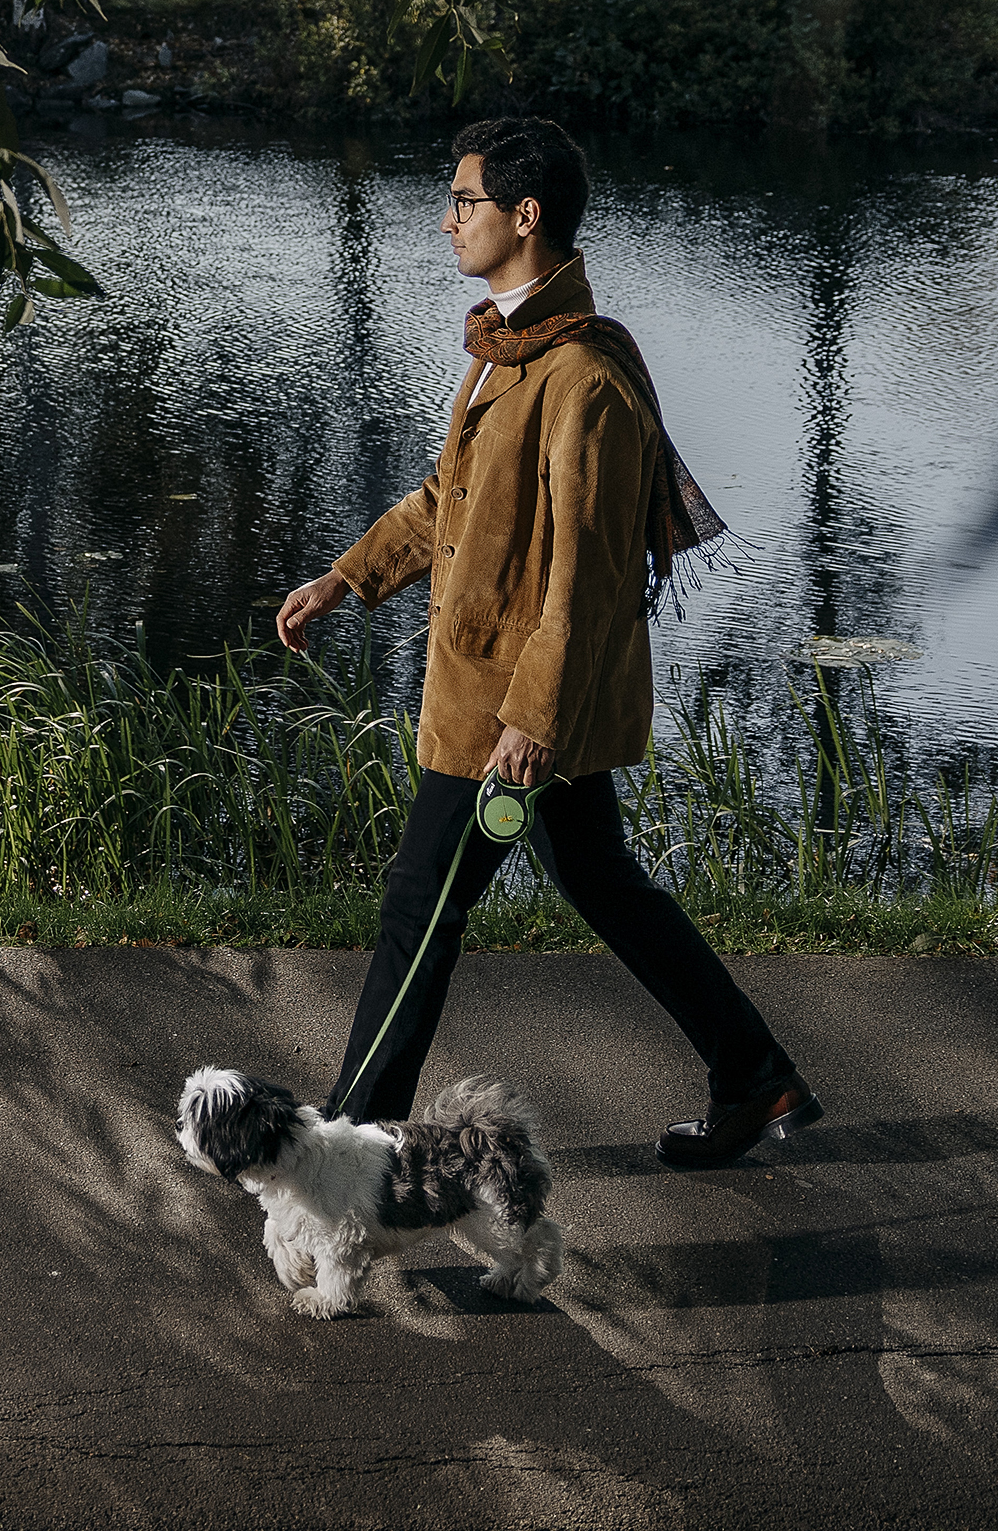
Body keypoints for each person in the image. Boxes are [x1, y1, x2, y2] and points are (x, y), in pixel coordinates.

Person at [274, 116, 818, 1170]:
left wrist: (530, 717)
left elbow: (590, 575)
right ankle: (754, 1075)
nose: (447, 219)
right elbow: (451, 498)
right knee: (604, 882)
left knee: (418, 903)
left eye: (464, 201)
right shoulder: (503, 349)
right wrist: (348, 575)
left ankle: (348, 1143)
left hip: (506, 708)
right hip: (498, 692)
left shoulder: (585, 382)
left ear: (525, 216)